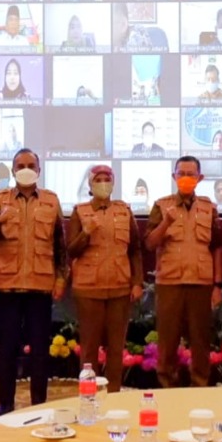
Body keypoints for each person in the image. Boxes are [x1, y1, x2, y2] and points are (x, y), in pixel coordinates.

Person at [0, 149, 67, 415]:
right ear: (13, 170)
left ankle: (38, 401)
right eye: (20, 165)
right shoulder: (0, 199)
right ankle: (5, 401)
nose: (26, 169)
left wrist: (61, 277)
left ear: (39, 170)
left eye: (31, 165)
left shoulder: (51, 201)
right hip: (6, 285)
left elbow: (60, 244)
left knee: (40, 349)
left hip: (40, 285)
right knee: (7, 347)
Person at [146, 156, 222, 387]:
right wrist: (166, 223)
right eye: (181, 174)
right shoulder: (161, 206)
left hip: (201, 283)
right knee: (168, 341)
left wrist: (218, 285)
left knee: (200, 341)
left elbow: (217, 247)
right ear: (174, 176)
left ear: (200, 178)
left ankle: (199, 387)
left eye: (191, 174)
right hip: (170, 283)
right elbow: (149, 243)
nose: (186, 178)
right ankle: (167, 389)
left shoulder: (209, 208)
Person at [68, 165, 143, 392]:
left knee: (116, 347)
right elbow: (71, 250)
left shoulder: (124, 211)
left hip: (120, 288)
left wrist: (137, 282)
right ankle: (88, 394)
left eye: (107, 179)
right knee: (89, 348)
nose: (103, 183)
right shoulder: (80, 212)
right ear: (90, 185)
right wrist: (86, 232)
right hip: (89, 289)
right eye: (98, 179)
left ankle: (114, 395)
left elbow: (135, 250)